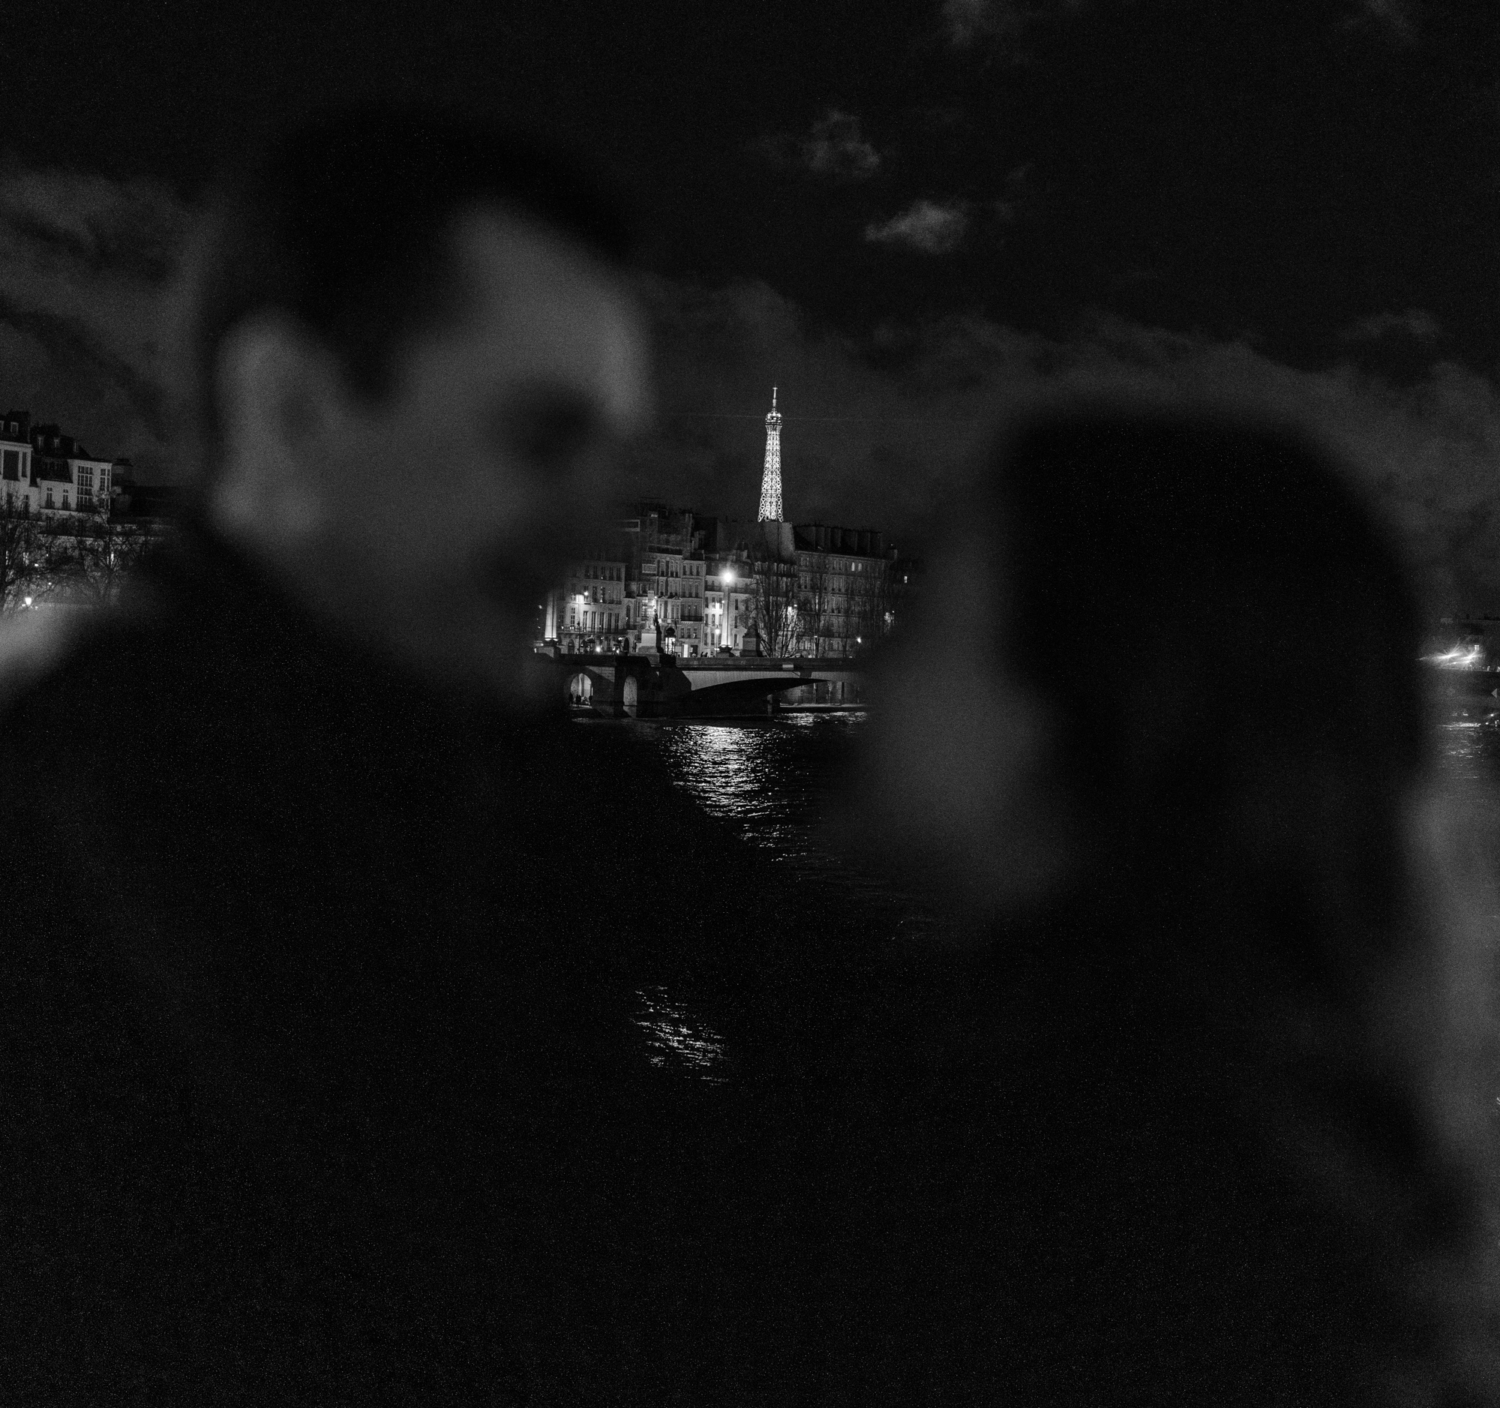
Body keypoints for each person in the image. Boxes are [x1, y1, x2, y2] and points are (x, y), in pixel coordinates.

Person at [0, 106, 839, 1403]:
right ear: (290, 412)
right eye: (536, 440)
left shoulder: (488, 767)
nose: (588, 524)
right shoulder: (138, 815)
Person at [823, 404, 1500, 1402]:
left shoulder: (1059, 1211)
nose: (869, 664)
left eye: (925, 616)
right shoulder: (1287, 1177)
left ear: (1090, 710)